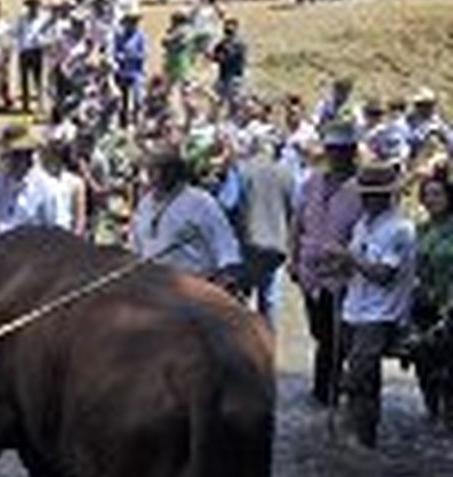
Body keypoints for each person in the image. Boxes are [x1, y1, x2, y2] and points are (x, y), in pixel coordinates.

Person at [333, 164, 416, 448]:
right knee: (363, 382)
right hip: (355, 308)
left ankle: (359, 435)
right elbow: (357, 265)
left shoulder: (400, 229)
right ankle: (364, 437)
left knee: (358, 375)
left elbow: (384, 275)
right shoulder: (362, 225)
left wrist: (349, 258)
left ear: (388, 197)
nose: (367, 200)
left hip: (381, 313)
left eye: (373, 195)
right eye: (364, 195)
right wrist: (338, 267)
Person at [291, 121, 364, 406]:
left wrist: (349, 260)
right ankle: (327, 385)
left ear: (353, 152)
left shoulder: (361, 188)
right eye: (333, 150)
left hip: (341, 273)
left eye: (343, 150)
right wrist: (293, 256)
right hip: (310, 270)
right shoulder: (312, 182)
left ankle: (327, 390)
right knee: (319, 331)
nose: (337, 155)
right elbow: (298, 221)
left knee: (333, 336)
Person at [131, 141, 242, 286]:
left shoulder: (200, 203)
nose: (149, 175)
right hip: (153, 290)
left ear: (172, 171)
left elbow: (226, 249)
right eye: (148, 169)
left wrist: (221, 284)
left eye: (155, 169)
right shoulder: (145, 204)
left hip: (192, 290)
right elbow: (136, 249)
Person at [234, 129, 297, 323]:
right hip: (277, 244)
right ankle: (267, 344)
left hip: (248, 242)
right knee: (269, 300)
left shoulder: (242, 170)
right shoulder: (286, 173)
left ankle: (243, 342)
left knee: (241, 298)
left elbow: (232, 204)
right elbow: (293, 210)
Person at [408, 166, 453, 431]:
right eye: (428, 195)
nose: (432, 200)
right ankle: (431, 409)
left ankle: (448, 415)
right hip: (424, 303)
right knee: (422, 356)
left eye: (438, 195)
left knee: (449, 364)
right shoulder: (421, 230)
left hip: (450, 304)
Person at [0, 123, 61, 237]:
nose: (6, 159)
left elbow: (57, 231)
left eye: (14, 155)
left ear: (28, 158)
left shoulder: (48, 188)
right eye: (6, 154)